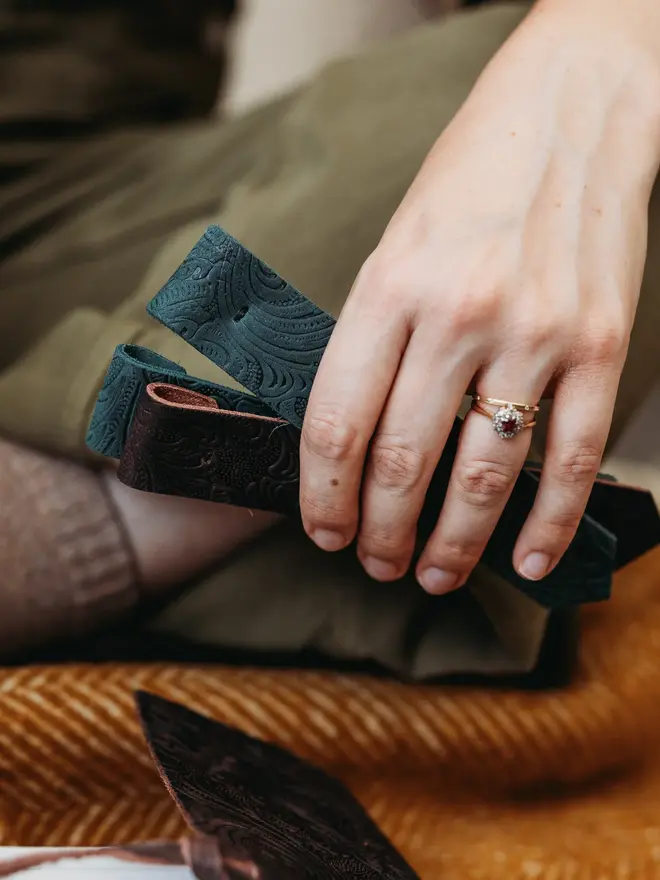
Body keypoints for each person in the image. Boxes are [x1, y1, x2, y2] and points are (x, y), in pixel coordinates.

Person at [0, 0, 659, 676]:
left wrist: (600, 47)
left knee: (552, 116)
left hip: (72, 202)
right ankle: (162, 537)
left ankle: (110, 517)